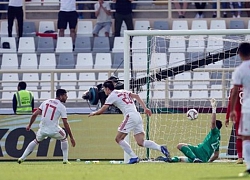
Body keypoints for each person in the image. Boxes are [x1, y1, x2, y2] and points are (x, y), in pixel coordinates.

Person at [88, 80, 171, 164]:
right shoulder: (123, 91)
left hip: (130, 116)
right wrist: (145, 108)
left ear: (107, 89)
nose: (104, 91)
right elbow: (136, 96)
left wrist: (94, 113)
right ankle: (161, 148)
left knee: (118, 139)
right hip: (137, 116)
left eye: (104, 89)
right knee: (140, 142)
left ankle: (134, 157)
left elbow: (103, 110)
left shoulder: (111, 96)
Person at [18, 89, 76, 164]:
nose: (67, 97)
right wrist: (71, 137)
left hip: (42, 130)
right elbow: (65, 123)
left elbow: (35, 114)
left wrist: (29, 125)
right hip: (54, 130)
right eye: (65, 95)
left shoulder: (46, 102)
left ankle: (22, 158)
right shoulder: (62, 107)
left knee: (36, 141)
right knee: (64, 138)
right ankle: (65, 160)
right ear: (61, 96)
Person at [161, 99, 222, 163]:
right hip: (204, 159)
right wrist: (209, 161)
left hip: (199, 151)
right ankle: (171, 160)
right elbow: (216, 155)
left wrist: (214, 108)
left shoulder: (214, 132)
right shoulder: (218, 139)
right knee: (180, 159)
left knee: (180, 145)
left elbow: (213, 123)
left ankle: (195, 158)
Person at [230, 42, 250, 177]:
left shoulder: (240, 70)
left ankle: (249, 165)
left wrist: (232, 110)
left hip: (248, 107)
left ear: (240, 54)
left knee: (246, 137)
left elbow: (235, 91)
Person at [225, 86, 243, 164]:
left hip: (238, 116)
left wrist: (227, 117)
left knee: (239, 137)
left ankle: (240, 158)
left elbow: (230, 103)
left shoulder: (234, 89)